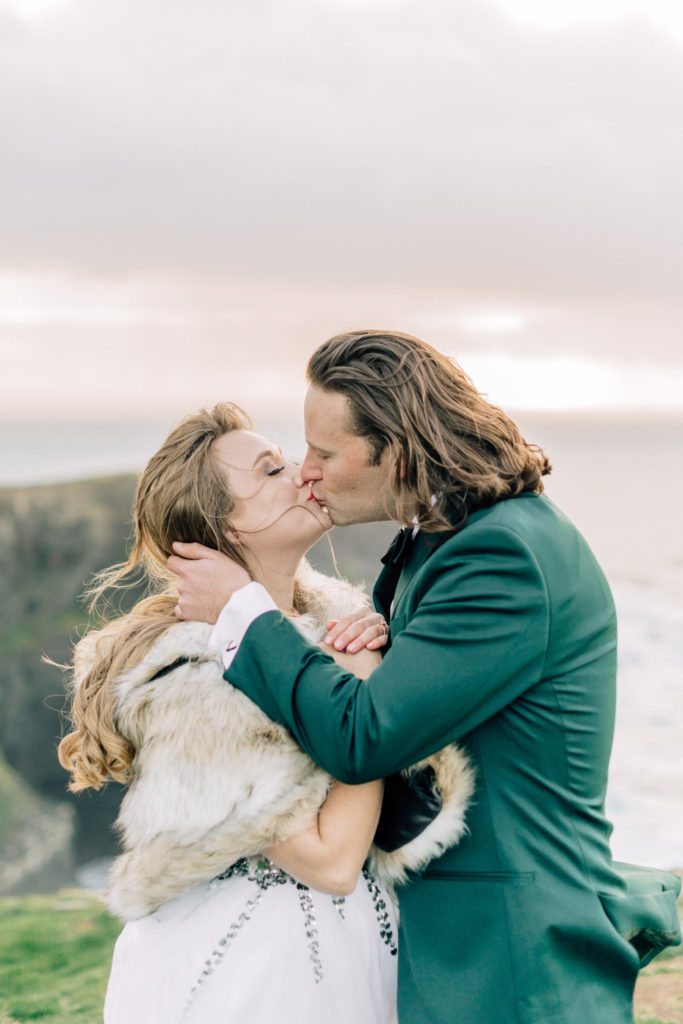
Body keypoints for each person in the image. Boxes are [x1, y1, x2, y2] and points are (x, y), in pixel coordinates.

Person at [169, 331, 681, 1024]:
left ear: (399, 452)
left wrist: (241, 613)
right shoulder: (444, 539)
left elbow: (364, 738)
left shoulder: (501, 554)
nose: (307, 471)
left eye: (324, 453)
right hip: (456, 942)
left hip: (510, 957)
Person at [58, 401, 472, 1024]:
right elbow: (331, 863)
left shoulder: (331, 623)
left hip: (350, 949)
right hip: (255, 973)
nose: (305, 473)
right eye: (272, 470)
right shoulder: (196, 680)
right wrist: (363, 687)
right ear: (224, 530)